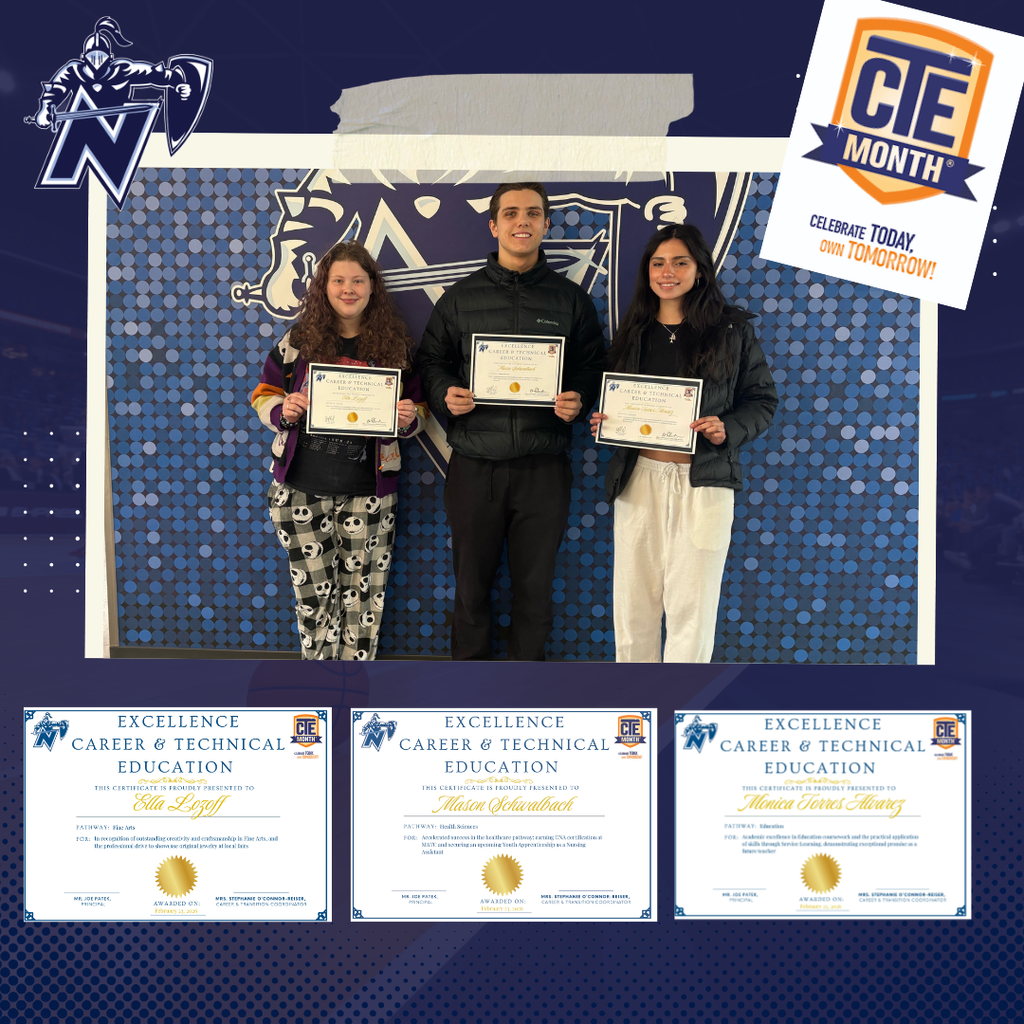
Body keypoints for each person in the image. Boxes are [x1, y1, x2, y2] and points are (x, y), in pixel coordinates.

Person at [416, 182, 606, 660]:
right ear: (493, 225)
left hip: (544, 467)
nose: (523, 221)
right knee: (471, 589)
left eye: (534, 213)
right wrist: (444, 394)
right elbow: (431, 362)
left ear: (546, 224)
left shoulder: (571, 300)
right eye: (512, 213)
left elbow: (591, 365)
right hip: (474, 465)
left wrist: (580, 397)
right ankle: (470, 683)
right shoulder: (459, 298)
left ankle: (526, 685)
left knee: (535, 590)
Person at [590, 224, 778, 663]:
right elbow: (613, 399)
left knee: (693, 607)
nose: (667, 272)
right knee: (633, 606)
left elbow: (762, 400)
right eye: (658, 263)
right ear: (647, 271)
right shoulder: (632, 331)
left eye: (680, 262)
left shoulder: (731, 330)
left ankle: (680, 695)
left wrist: (726, 428)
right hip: (639, 479)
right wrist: (605, 420)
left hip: (705, 481)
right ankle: (635, 700)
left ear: (700, 270)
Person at [252, 240, 425, 660]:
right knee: (313, 601)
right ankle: (319, 682)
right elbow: (264, 393)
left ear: (372, 287)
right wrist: (282, 410)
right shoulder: (298, 340)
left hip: (369, 493)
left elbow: (419, 409)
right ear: (324, 287)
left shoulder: (395, 346)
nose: (349, 289)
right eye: (339, 281)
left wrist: (408, 418)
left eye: (358, 281)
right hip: (300, 491)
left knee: (364, 604)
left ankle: (355, 681)